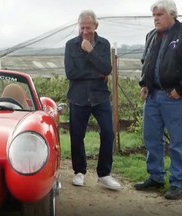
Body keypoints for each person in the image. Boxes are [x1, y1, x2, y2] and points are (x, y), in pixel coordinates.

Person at [64, 10, 122, 190]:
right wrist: (95, 74)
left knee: (107, 132)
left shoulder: (103, 45)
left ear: (96, 26)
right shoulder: (70, 45)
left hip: (100, 96)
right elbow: (70, 73)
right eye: (82, 28)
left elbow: (106, 69)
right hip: (78, 96)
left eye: (88, 28)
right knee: (77, 135)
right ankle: (79, 172)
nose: (84, 32)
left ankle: (104, 174)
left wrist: (91, 51)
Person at [134, 0, 182, 200]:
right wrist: (144, 84)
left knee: (178, 142)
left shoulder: (180, 34)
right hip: (152, 96)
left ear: (172, 14)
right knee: (151, 138)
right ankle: (155, 177)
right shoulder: (151, 35)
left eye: (160, 14)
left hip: (174, 97)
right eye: (154, 15)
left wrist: (180, 89)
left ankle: (178, 182)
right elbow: (147, 62)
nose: (156, 18)